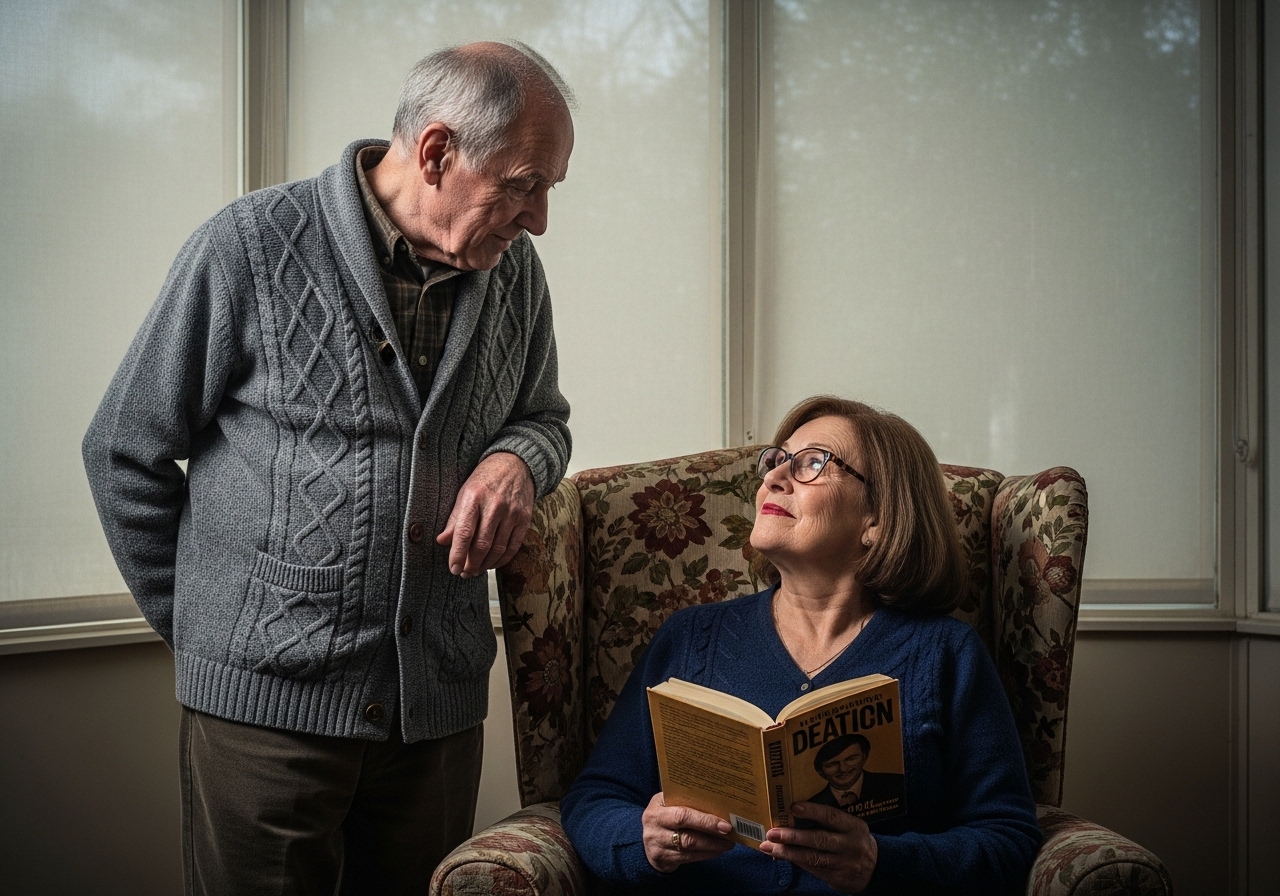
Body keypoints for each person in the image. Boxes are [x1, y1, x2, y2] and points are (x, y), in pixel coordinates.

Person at [82, 42, 573, 896]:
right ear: (435, 152)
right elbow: (125, 448)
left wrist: (516, 460)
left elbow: (544, 418)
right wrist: (215, 633)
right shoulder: (249, 247)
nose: (536, 220)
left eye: (548, 191)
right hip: (265, 722)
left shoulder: (514, 274)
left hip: (437, 718)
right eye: (524, 184)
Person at [560, 396, 1041, 894]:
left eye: (813, 462)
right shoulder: (689, 638)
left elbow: (1007, 838)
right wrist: (643, 841)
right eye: (778, 459)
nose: (773, 477)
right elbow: (595, 798)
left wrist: (880, 862)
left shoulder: (947, 653)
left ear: (876, 518)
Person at [800, 733, 904, 825]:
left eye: (851, 759)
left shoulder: (897, 784)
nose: (843, 769)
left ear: (864, 757)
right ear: (821, 773)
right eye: (832, 764)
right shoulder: (807, 809)